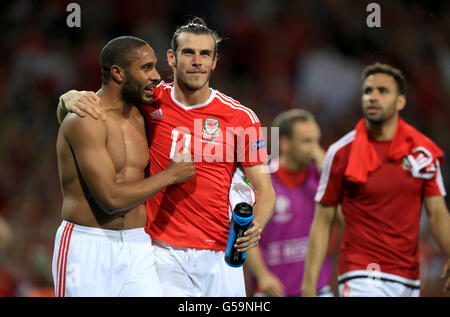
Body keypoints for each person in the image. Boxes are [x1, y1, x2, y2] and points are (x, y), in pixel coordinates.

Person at [58, 18, 276, 297]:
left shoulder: (244, 117)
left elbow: (266, 190)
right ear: (172, 58)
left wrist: (256, 226)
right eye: (189, 53)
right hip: (160, 253)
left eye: (205, 54)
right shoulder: (149, 101)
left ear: (215, 62)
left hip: (220, 255)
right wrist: (67, 98)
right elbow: (103, 102)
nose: (197, 61)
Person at [53, 36, 195, 297]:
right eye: (146, 68)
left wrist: (65, 99)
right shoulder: (86, 119)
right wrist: (171, 175)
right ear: (117, 73)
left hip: (138, 246)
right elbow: (110, 198)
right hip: (87, 247)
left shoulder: (146, 113)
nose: (155, 76)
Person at [302, 63, 450, 297]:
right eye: (368, 91)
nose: (373, 97)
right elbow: (322, 222)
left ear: (400, 101)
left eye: (383, 91)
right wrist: (308, 288)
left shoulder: (423, 153)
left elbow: (438, 214)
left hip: (408, 277)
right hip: (362, 274)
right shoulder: (341, 153)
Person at [244, 109, 335, 297]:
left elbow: (345, 218)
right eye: (306, 142)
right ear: (284, 143)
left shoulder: (320, 178)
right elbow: (246, 233)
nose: (315, 149)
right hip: (273, 291)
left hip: (318, 290)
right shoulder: (263, 182)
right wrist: (262, 276)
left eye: (316, 141)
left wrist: (329, 175)